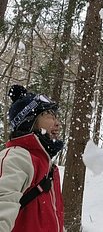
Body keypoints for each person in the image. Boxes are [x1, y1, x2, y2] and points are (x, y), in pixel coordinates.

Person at [0, 85, 65, 232]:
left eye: (56, 116)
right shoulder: (17, 158)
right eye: (49, 115)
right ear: (29, 120)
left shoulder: (48, 167)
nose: (57, 123)